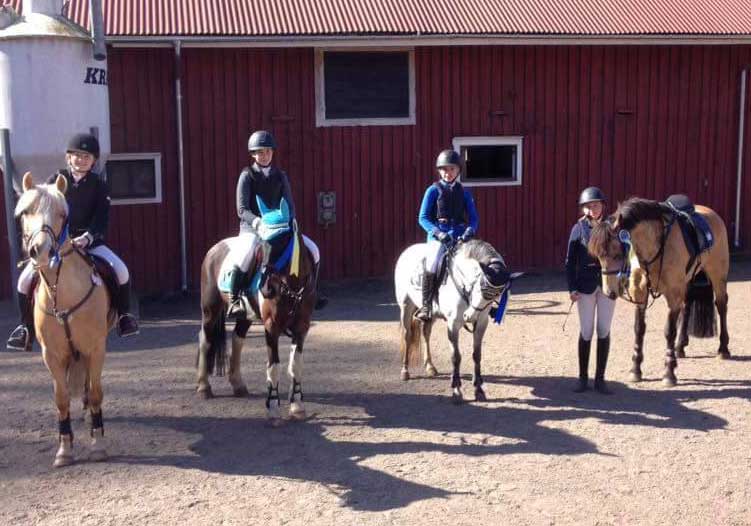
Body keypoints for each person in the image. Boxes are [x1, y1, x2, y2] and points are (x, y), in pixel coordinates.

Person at [6, 133, 139, 351]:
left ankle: (124, 316)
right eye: (76, 155)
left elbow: (101, 219)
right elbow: (42, 207)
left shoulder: (99, 185)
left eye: (86, 157)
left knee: (121, 270)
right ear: (68, 158)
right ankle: (25, 328)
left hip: (90, 242)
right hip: (56, 243)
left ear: (94, 161)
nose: (81, 160)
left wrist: (88, 237)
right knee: (24, 281)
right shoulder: (55, 179)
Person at [226, 130, 327, 319]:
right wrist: (256, 222)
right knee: (245, 253)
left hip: (280, 228)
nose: (265, 156)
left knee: (313, 249)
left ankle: (314, 291)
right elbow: (242, 209)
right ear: (253, 154)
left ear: (272, 152)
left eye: (268, 152)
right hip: (254, 228)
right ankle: (234, 299)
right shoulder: (247, 176)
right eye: (260, 152)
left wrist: (292, 221)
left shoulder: (280, 175)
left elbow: (289, 203)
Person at [415, 149, 479, 321]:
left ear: (458, 170)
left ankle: (480, 303)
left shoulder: (465, 193)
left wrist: (469, 231)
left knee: (477, 262)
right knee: (433, 261)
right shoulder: (432, 191)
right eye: (444, 169)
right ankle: (427, 305)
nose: (447, 173)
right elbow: (423, 218)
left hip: (459, 235)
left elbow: (474, 218)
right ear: (439, 171)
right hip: (439, 236)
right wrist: (437, 233)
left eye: (451, 169)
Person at [565, 186, 616, 394]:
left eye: (596, 205)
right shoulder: (578, 229)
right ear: (584, 209)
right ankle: (583, 378)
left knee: (603, 329)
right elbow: (569, 262)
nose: (593, 208)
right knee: (586, 331)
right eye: (589, 206)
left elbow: (623, 254)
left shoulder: (613, 227)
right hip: (585, 286)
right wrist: (571, 287)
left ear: (603, 205)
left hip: (607, 285)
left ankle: (600, 379)